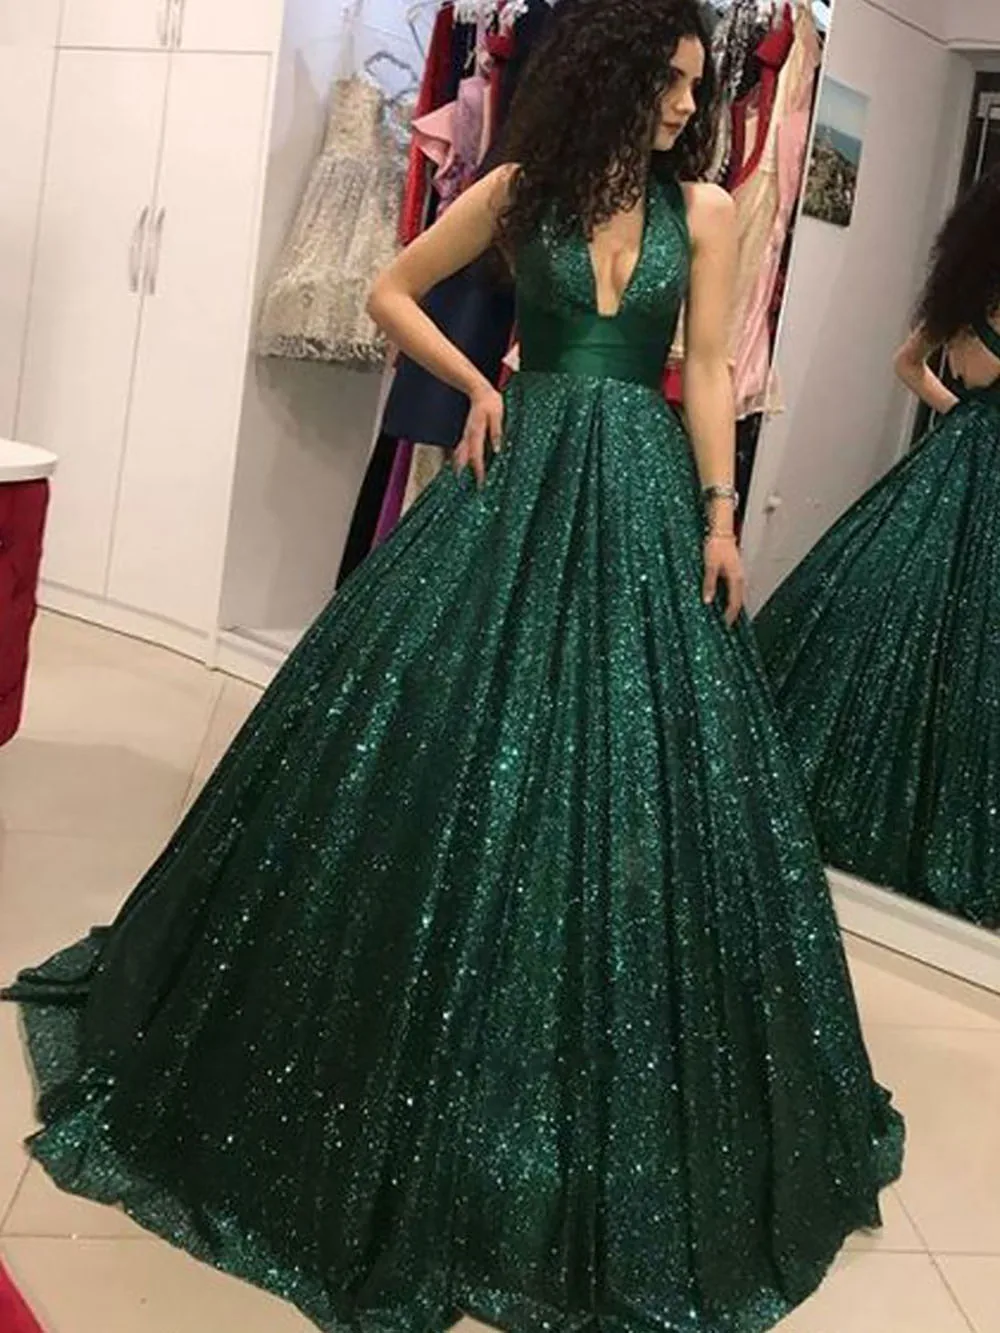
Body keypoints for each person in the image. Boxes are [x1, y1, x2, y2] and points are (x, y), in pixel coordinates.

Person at [3, 3, 902, 1330]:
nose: (683, 107)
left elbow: (709, 366)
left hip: (643, 493)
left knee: (638, 765)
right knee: (438, 732)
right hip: (518, 466)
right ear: (608, 79)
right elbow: (390, 288)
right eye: (664, 83)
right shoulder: (520, 190)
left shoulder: (707, 211)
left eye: (693, 86)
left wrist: (719, 514)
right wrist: (477, 386)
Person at [754, 166, 1000, 929]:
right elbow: (906, 363)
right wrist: (969, 419)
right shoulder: (971, 300)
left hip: (957, 459)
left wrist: (963, 417)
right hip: (966, 467)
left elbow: (907, 365)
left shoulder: (966, 298)